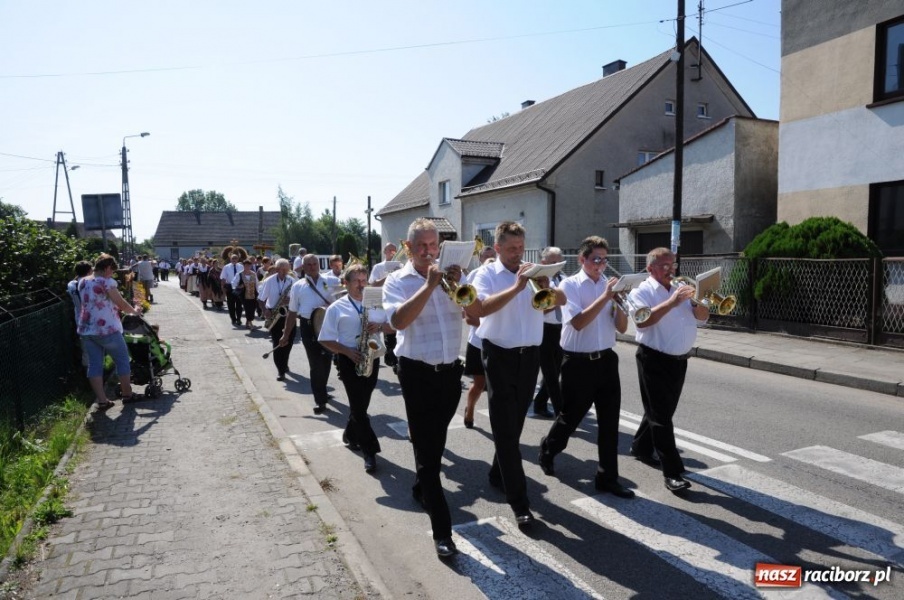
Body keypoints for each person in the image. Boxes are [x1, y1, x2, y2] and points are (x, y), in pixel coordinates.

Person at [465, 221, 565, 528]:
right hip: (499, 355)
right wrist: (517, 287)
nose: (517, 254)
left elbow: (554, 306)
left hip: (529, 355)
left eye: (520, 248)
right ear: (497, 248)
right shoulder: (485, 274)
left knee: (516, 423)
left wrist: (548, 289)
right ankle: (520, 502)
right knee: (505, 430)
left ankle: (498, 473)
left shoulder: (532, 273)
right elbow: (479, 309)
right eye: (511, 249)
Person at [382, 218, 465, 559]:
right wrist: (429, 286)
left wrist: (456, 285)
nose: (429, 252)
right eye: (422, 247)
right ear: (408, 248)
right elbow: (397, 322)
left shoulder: (451, 277)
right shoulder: (397, 280)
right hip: (416, 372)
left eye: (434, 246)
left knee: (436, 441)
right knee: (429, 454)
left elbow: (474, 315)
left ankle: (420, 486)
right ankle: (442, 532)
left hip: (450, 372)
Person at [538, 236, 634, 498]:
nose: (601, 265)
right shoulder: (569, 286)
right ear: (582, 260)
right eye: (596, 260)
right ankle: (548, 449)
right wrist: (605, 297)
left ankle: (607, 478)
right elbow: (579, 322)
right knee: (570, 419)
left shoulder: (607, 286)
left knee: (609, 423)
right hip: (577, 363)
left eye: (604, 260)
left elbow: (622, 328)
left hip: (606, 360)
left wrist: (620, 302)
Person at [627, 247, 709, 493]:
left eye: (672, 265)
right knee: (662, 418)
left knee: (659, 411)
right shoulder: (640, 291)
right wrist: (672, 302)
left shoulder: (680, 288)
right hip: (653, 359)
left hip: (679, 360)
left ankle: (641, 447)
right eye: (664, 266)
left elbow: (702, 319)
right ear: (650, 268)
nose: (670, 270)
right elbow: (642, 320)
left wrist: (701, 301)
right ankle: (672, 472)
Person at [317, 264, 392, 472]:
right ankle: (370, 451)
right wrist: (347, 351)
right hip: (349, 360)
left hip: (372, 357)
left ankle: (350, 434)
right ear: (346, 283)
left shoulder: (375, 302)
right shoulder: (336, 308)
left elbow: (393, 325)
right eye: (356, 281)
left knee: (361, 404)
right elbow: (325, 339)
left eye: (363, 280)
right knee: (359, 407)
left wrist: (379, 327)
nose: (361, 285)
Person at [77, 253, 143, 410]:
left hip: (87, 329)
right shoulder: (106, 282)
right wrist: (135, 311)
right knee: (122, 360)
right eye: (112, 270)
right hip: (108, 329)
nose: (112, 273)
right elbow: (121, 303)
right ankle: (127, 395)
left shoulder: (82, 281)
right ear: (107, 268)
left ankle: (102, 400)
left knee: (94, 364)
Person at [279, 254, 333, 412]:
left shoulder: (330, 282)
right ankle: (320, 400)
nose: (312, 266)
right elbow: (292, 312)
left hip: (326, 325)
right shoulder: (298, 286)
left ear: (319, 264)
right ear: (303, 267)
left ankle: (321, 388)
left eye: (314, 263)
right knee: (315, 363)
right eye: (308, 264)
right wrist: (286, 334)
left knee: (326, 361)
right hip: (308, 326)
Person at [462, 245, 496, 428]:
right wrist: (490, 324)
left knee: (496, 387)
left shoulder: (502, 276)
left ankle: (498, 422)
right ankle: (470, 408)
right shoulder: (475, 275)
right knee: (479, 384)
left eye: (493, 256)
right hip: (478, 342)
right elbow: (469, 317)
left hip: (498, 343)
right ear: (481, 258)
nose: (491, 259)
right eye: (488, 256)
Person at [532, 246, 565, 418]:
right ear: (543, 263)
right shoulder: (538, 280)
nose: (558, 265)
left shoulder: (564, 279)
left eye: (560, 261)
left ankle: (539, 403)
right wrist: (556, 302)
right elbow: (539, 310)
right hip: (543, 329)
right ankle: (562, 412)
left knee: (556, 370)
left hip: (560, 329)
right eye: (554, 262)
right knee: (550, 373)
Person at [258, 258, 297, 381]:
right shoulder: (269, 281)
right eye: (281, 269)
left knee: (289, 342)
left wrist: (290, 300)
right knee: (277, 343)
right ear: (277, 268)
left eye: (286, 270)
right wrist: (265, 311)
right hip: (274, 314)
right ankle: (281, 370)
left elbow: (298, 299)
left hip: (289, 314)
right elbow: (260, 299)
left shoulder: (292, 281)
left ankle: (284, 363)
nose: (284, 272)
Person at [369, 242, 400, 370]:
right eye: (389, 250)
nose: (392, 252)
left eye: (394, 250)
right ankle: (380, 357)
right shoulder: (378, 267)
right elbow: (373, 285)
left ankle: (395, 359)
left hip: (396, 300)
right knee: (379, 331)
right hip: (380, 302)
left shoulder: (401, 266)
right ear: (384, 252)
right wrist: (388, 277)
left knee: (395, 331)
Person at [232, 259, 260, 329]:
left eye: (249, 265)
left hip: (253, 294)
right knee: (247, 308)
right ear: (243, 266)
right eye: (246, 265)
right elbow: (233, 283)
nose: (247, 267)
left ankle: (248, 322)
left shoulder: (254, 274)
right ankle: (250, 323)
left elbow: (257, 284)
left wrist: (259, 293)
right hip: (244, 295)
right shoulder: (239, 274)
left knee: (253, 308)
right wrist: (239, 286)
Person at [221, 253, 243, 325]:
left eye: (235, 258)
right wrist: (223, 288)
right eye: (233, 258)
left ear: (238, 259)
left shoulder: (241, 266)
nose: (234, 260)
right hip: (230, 287)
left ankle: (239, 319)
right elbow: (223, 278)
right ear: (230, 259)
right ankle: (233, 319)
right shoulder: (226, 267)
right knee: (231, 304)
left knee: (239, 304)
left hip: (239, 287)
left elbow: (244, 276)